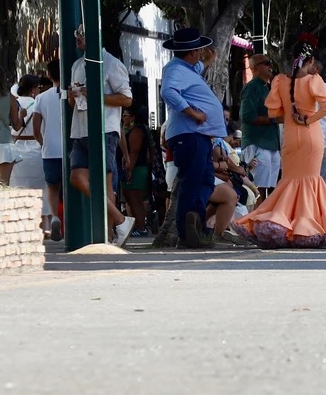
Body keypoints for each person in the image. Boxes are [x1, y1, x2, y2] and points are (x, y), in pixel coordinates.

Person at [232, 36, 326, 249]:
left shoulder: (280, 81)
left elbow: (273, 111)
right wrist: (307, 118)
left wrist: (290, 113)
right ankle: (308, 226)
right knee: (311, 180)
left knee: (289, 180)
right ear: (311, 61)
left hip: (288, 137)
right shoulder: (315, 81)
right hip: (311, 136)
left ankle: (281, 222)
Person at [68, 26, 135, 245]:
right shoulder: (77, 65)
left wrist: (97, 94)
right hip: (79, 128)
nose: (77, 38)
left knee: (106, 183)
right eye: (76, 34)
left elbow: (126, 99)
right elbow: (73, 104)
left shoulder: (112, 63)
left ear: (94, 37)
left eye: (81, 34)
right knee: (77, 178)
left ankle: (108, 235)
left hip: (105, 128)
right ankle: (120, 220)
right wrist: (72, 96)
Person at [160, 27, 226, 249]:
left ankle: (194, 222)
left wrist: (207, 61)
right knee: (193, 180)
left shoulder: (187, 69)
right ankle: (188, 231)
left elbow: (195, 69)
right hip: (190, 134)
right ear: (191, 52)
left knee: (204, 178)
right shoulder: (175, 70)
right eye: (198, 50)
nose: (200, 53)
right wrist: (193, 112)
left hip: (197, 136)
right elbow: (168, 91)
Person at [30, 60, 66, 240]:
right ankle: (70, 221)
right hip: (70, 149)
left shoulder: (41, 98)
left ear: (50, 76)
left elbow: (36, 129)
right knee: (71, 187)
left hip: (50, 150)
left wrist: (43, 143)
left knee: (53, 187)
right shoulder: (74, 95)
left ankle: (54, 217)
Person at [239, 53, 281, 201]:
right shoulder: (251, 88)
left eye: (270, 62)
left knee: (270, 189)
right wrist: (273, 119)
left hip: (270, 144)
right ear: (255, 69)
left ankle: (263, 222)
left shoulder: (267, 87)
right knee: (257, 190)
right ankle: (254, 222)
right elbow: (247, 116)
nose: (270, 66)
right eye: (266, 63)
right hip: (257, 144)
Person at [119, 101, 155, 238]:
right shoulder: (141, 130)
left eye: (126, 115)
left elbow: (134, 151)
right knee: (132, 199)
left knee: (135, 199)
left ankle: (141, 227)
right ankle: (139, 226)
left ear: (133, 117)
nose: (124, 118)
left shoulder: (136, 131)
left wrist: (129, 169)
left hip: (136, 169)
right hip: (138, 168)